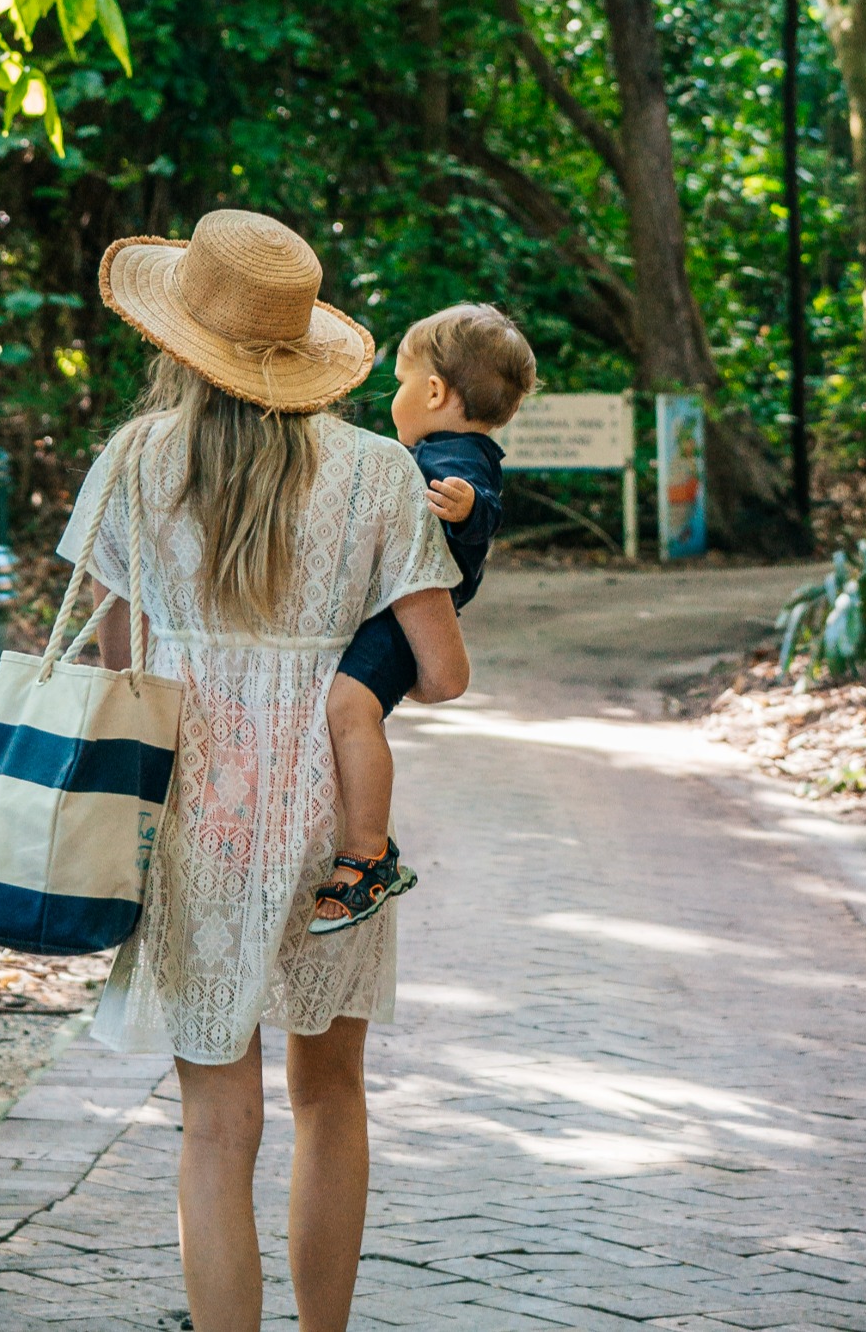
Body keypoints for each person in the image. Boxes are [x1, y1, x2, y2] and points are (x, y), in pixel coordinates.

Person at [60, 209, 469, 1332]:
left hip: (193, 800)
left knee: (215, 1122)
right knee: (330, 1096)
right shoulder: (380, 472)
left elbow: (118, 664)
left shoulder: (137, 462)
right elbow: (440, 675)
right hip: (338, 819)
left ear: (179, 336)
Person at [309, 304, 535, 933]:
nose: (394, 398)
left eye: (401, 382)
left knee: (350, 707)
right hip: (390, 610)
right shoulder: (449, 449)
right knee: (350, 707)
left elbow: (479, 498)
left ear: (433, 391)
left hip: (400, 618)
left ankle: (368, 853)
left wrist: (465, 509)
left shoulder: (456, 456)